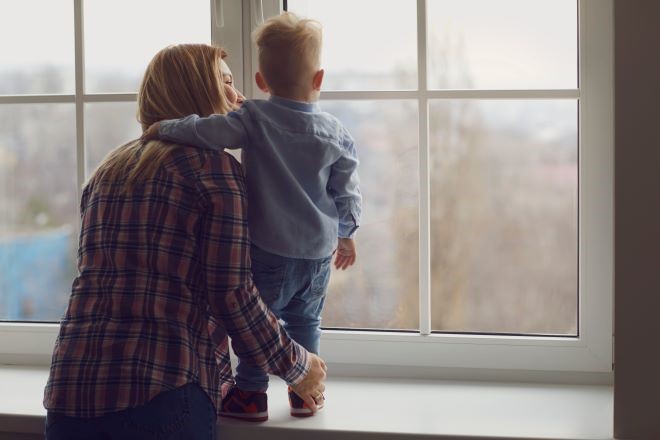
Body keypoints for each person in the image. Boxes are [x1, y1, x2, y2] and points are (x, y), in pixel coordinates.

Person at [42, 43, 327, 440]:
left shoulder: (110, 169)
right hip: (159, 395)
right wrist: (300, 368)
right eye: (226, 83)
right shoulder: (214, 170)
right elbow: (232, 296)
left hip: (69, 394)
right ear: (198, 94)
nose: (241, 97)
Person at [142, 12, 362, 419]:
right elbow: (346, 189)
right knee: (306, 320)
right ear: (319, 79)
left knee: (261, 318)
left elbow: (205, 131)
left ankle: (251, 394)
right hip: (318, 254)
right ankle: (304, 394)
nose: (238, 91)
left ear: (261, 81)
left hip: (270, 248)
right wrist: (347, 234)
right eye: (225, 81)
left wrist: (163, 128)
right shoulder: (336, 131)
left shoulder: (254, 119)